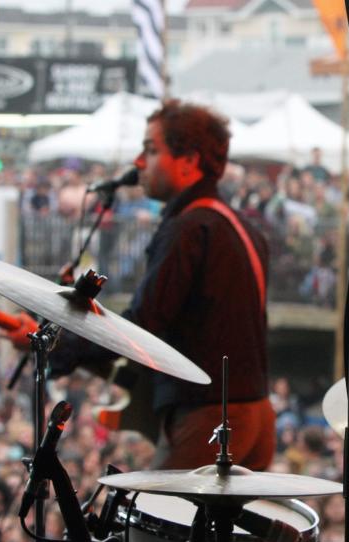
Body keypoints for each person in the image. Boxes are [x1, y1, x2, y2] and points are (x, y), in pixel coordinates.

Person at [41, 99, 275, 470]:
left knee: (155, 522)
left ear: (189, 161)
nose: (138, 163)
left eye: (151, 150)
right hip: (256, 412)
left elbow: (145, 323)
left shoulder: (188, 228)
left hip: (211, 417)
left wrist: (66, 350)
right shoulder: (239, 225)